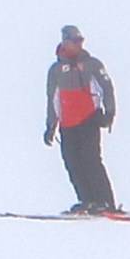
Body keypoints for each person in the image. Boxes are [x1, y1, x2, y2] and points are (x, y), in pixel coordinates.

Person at [44, 25, 118, 214]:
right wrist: (51, 125)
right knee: (72, 161)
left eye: (80, 41)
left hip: (88, 118)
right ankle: (87, 200)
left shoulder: (92, 64)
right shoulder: (56, 69)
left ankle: (105, 202)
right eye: (75, 41)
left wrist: (109, 113)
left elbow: (107, 88)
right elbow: (52, 98)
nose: (79, 44)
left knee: (91, 159)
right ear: (65, 42)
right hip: (67, 123)